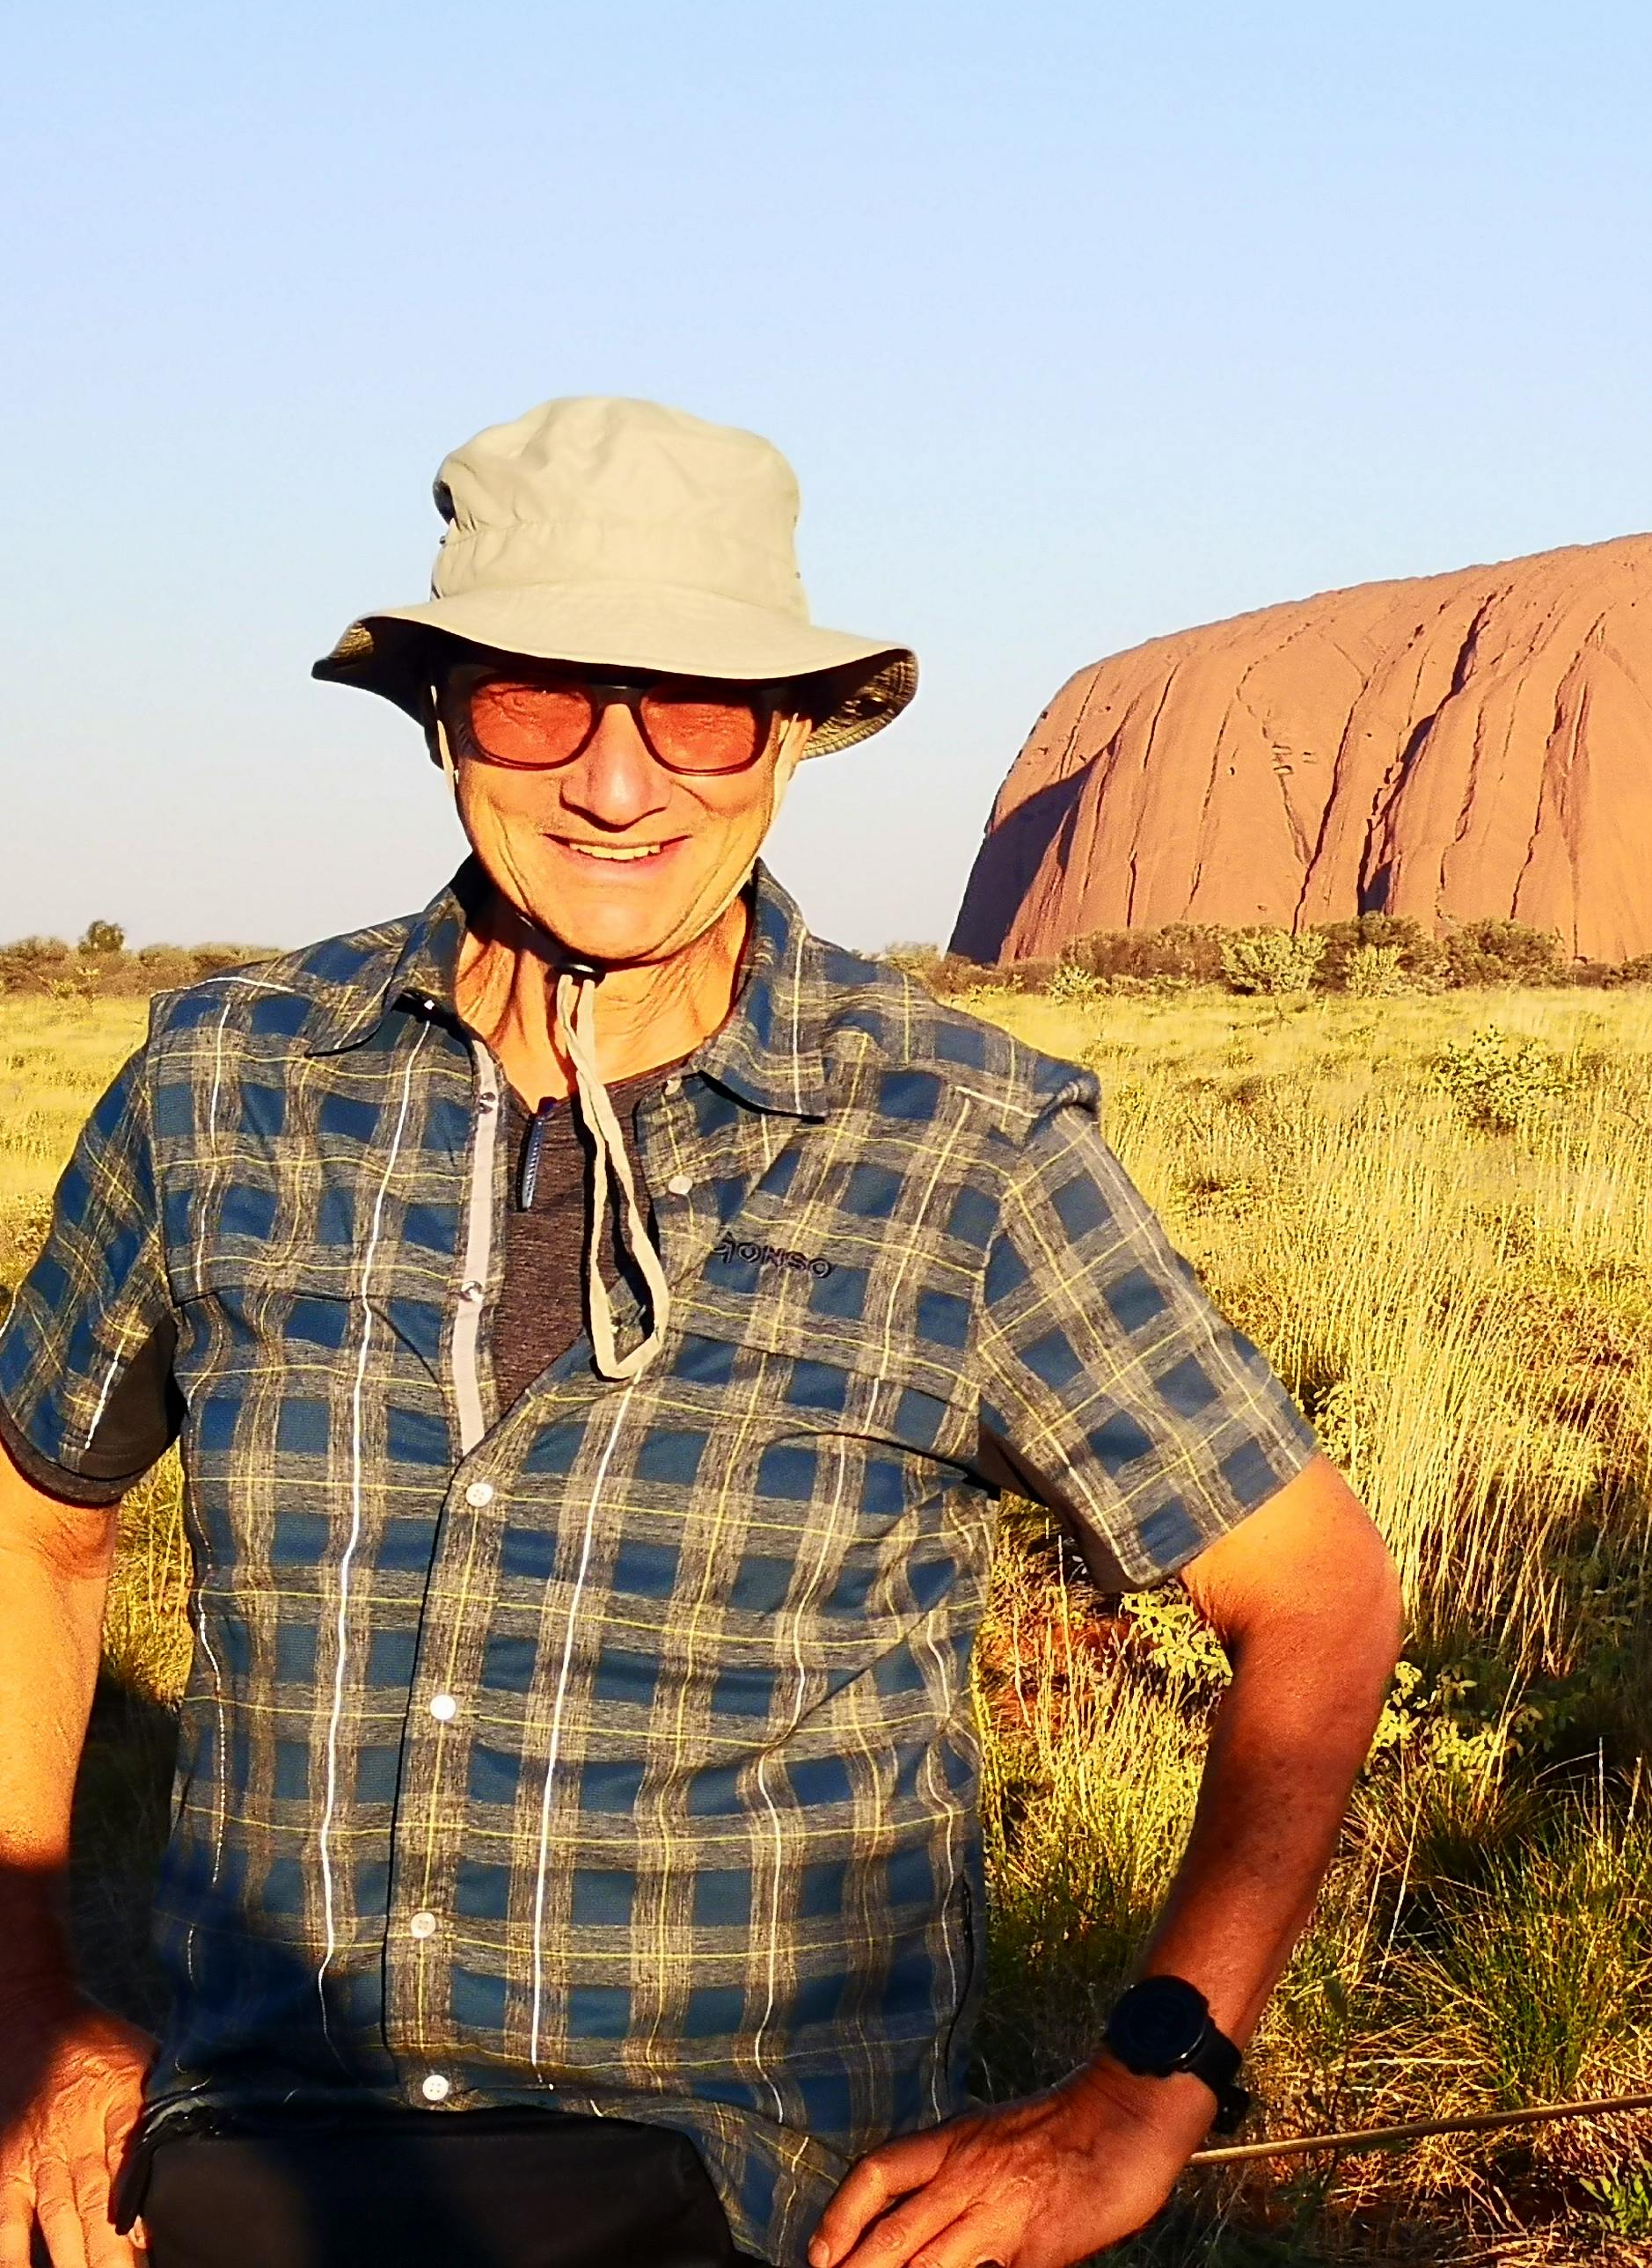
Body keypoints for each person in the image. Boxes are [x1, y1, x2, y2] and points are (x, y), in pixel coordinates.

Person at [0, 397, 1404, 2268]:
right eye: (539, 701)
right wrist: (25, 2012)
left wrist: (1146, 2090)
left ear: (790, 742)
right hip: (245, 2169)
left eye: (697, 708)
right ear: (442, 716)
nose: (617, 779)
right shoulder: (224, 1090)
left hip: (739, 2207)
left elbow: (1312, 1594)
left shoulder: (957, 1154)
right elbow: (30, 1520)